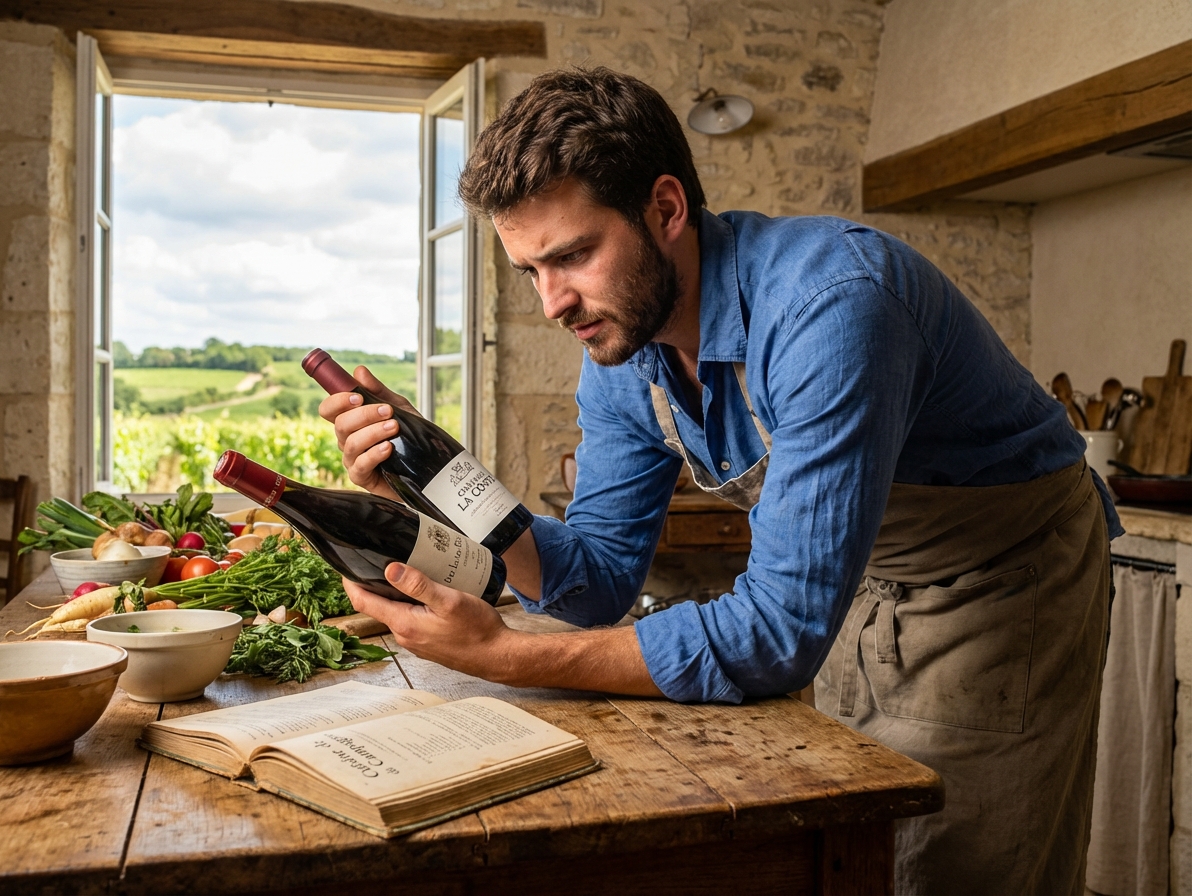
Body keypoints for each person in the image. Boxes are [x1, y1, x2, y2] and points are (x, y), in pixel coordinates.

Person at [320, 68, 1120, 894]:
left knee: (953, 868)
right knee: (859, 851)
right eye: (530, 270)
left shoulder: (835, 307)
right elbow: (592, 580)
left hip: (1002, 582)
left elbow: (776, 631)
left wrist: (506, 657)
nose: (554, 302)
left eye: (574, 255)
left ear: (666, 209)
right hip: (863, 586)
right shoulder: (623, 349)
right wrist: (435, 474)